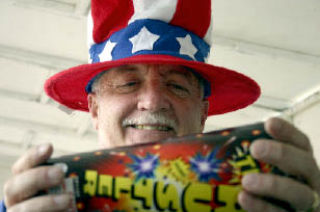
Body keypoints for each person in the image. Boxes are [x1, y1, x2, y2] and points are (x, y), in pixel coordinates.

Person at [2, 0, 320, 211]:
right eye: (128, 82)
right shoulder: (30, 202)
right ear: (95, 109)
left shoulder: (256, 200)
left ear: (203, 112)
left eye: (177, 85)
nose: (153, 100)